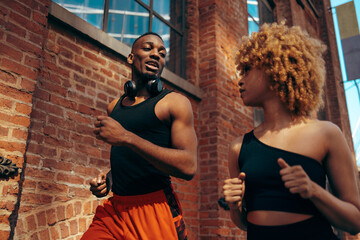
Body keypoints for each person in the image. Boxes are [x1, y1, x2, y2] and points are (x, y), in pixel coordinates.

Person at [222, 22, 360, 240]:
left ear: (274, 67)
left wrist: (314, 191)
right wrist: (235, 207)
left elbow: (355, 222)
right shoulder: (238, 147)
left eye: (247, 70)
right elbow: (244, 224)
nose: (240, 80)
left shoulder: (327, 134)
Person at [81, 32, 197, 240]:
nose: (156, 55)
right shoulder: (114, 107)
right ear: (131, 57)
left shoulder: (175, 103)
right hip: (116, 210)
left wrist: (127, 137)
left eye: (162, 53)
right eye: (148, 48)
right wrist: (108, 179)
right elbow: (131, 158)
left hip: (155, 208)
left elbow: (188, 166)